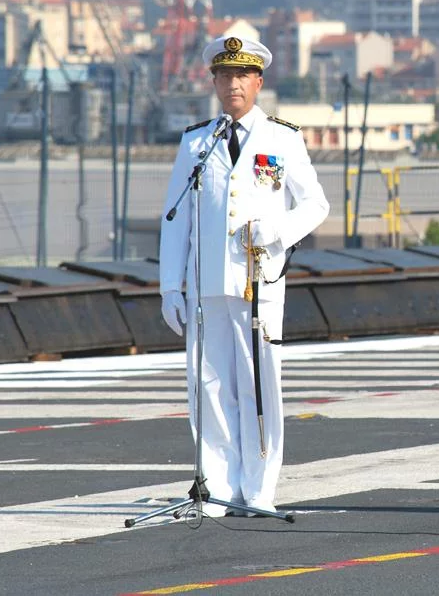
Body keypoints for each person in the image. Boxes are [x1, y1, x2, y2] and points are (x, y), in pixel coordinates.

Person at [159, 35, 330, 517]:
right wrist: (170, 284)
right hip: (207, 281)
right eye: (224, 76)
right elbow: (175, 218)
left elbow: (316, 204)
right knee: (209, 386)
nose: (232, 84)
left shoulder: (282, 138)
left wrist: (277, 232)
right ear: (213, 82)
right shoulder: (197, 141)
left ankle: (258, 489)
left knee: (258, 385)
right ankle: (217, 486)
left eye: (242, 76)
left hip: (259, 283)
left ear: (258, 82)